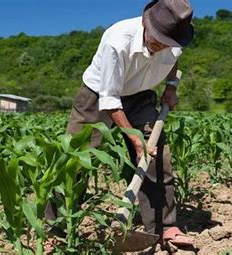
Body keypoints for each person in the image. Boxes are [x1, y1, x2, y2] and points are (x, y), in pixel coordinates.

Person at [44, 0, 195, 250]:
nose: (161, 46)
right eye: (157, 39)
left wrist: (170, 88)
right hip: (99, 95)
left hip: (142, 93)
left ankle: (164, 227)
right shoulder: (117, 40)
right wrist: (136, 141)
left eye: (166, 42)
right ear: (146, 23)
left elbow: (173, 61)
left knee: (157, 157)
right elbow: (110, 101)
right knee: (75, 160)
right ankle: (54, 228)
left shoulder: (175, 40)